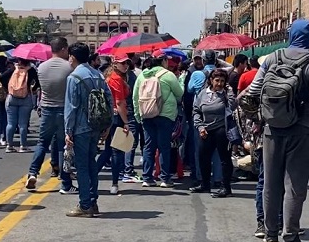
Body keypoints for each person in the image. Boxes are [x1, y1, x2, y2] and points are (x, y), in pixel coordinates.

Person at [246, 19, 309, 242]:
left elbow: (253, 91)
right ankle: (290, 239)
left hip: (272, 129)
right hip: (301, 131)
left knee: (271, 183)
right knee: (294, 186)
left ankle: (271, 234)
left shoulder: (272, 57)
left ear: (290, 35)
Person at [65, 43, 114, 218]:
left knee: (82, 166)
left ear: (73, 57)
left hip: (80, 127)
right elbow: (109, 99)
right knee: (92, 164)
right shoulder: (98, 75)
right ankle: (93, 202)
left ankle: (85, 204)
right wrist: (108, 125)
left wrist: (68, 131)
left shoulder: (74, 77)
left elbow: (71, 107)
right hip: (96, 126)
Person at [25, 38, 71, 192]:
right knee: (63, 145)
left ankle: (32, 172)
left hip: (46, 108)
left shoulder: (41, 67)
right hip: (63, 109)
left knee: (42, 143)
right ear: (64, 49)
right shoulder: (69, 67)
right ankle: (65, 180)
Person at [133, 54, 184, 187]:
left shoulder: (142, 75)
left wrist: (138, 115)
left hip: (146, 114)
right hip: (165, 115)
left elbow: (135, 96)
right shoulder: (168, 75)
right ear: (164, 61)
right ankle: (165, 179)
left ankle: (147, 177)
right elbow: (179, 93)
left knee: (148, 146)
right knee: (164, 147)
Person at [190, 69, 236, 197]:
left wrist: (230, 92)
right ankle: (205, 185)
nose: (219, 84)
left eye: (222, 81)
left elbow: (232, 106)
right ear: (211, 80)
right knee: (203, 157)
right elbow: (196, 111)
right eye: (217, 81)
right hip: (205, 130)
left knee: (224, 159)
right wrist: (200, 127)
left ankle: (226, 187)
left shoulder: (226, 95)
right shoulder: (203, 94)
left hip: (222, 129)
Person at [96, 55, 131, 195]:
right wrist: (126, 122)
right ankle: (115, 183)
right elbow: (120, 102)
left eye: (127, 63)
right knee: (116, 150)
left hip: (111, 116)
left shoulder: (110, 77)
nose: (125, 65)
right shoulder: (116, 79)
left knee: (109, 150)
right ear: (115, 63)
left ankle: (93, 174)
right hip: (117, 117)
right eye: (123, 63)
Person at [1, 58, 39, 153]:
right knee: (23, 124)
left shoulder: (13, 68)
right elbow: (38, 82)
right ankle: (23, 146)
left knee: (10, 123)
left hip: (12, 97)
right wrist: (33, 89)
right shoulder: (31, 70)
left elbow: (1, 77)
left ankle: (9, 145)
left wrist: (8, 87)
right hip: (26, 98)